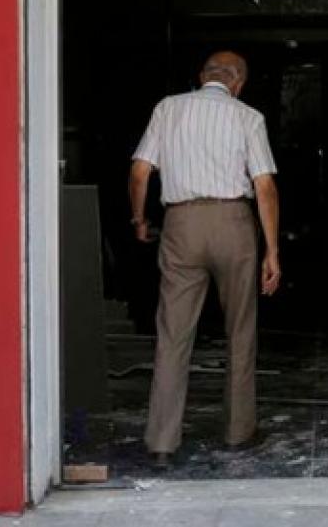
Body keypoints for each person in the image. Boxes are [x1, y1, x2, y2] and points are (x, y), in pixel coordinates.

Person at [129, 51, 281, 465]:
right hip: (233, 223)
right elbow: (264, 185)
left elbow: (141, 171)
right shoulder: (247, 116)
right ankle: (238, 432)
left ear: (201, 77)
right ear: (239, 83)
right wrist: (273, 250)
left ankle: (162, 442)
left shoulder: (168, 109)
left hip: (181, 224)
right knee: (240, 329)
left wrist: (140, 219)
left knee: (173, 333)